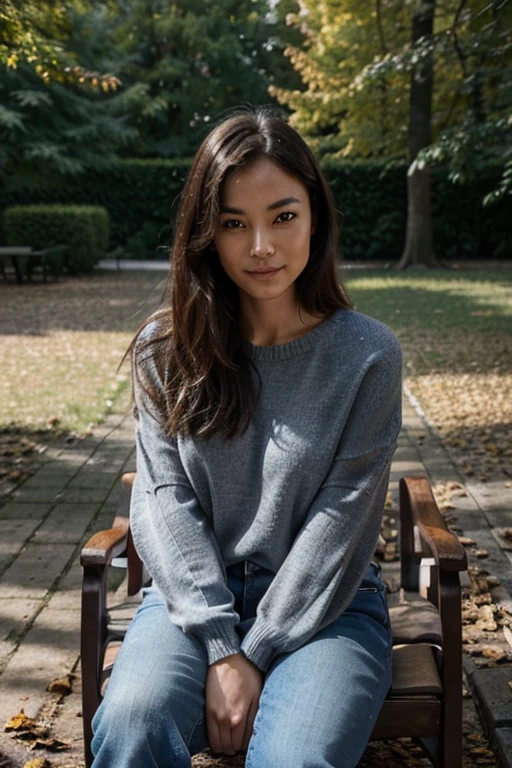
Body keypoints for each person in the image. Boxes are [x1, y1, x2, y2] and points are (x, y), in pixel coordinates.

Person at [91, 108, 402, 768]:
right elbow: (164, 502)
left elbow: (339, 522)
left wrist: (252, 653)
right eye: (234, 223)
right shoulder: (164, 351)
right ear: (207, 233)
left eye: (282, 216)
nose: (260, 245)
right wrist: (219, 643)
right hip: (190, 604)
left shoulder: (368, 356)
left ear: (314, 217)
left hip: (329, 608)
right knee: (132, 724)